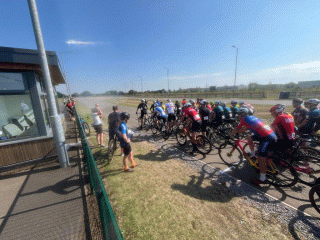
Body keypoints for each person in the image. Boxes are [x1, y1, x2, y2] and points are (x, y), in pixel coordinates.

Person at [229, 107, 277, 185]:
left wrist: (230, 135)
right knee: (249, 138)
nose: (238, 116)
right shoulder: (253, 117)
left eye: (239, 114)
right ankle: (253, 154)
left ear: (243, 114)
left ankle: (262, 179)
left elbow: (237, 129)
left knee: (261, 158)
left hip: (267, 137)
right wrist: (241, 131)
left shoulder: (244, 119)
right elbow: (246, 127)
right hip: (270, 134)